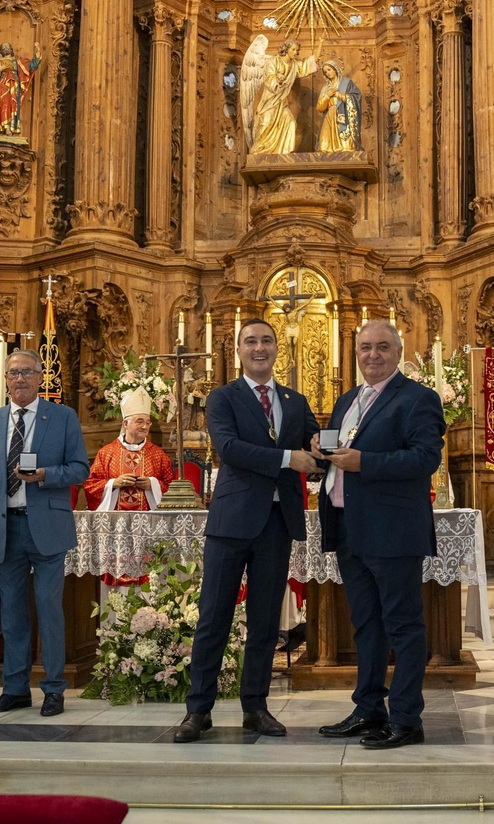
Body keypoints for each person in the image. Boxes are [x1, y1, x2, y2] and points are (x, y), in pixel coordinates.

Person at [174, 319, 321, 743]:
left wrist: (323, 451)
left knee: (263, 624)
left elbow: (316, 445)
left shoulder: (294, 401)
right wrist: (287, 460)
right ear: (238, 350)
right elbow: (230, 449)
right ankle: (197, 710)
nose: (260, 348)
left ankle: (255, 707)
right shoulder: (223, 397)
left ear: (278, 349)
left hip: (277, 523)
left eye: (267, 341)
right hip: (233, 521)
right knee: (214, 618)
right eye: (250, 341)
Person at [311, 320, 444, 749]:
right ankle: (369, 709)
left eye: (382, 347)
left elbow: (424, 459)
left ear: (398, 351)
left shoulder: (418, 399)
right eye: (365, 347)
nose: (373, 355)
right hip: (349, 526)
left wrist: (363, 462)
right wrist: (322, 452)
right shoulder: (348, 400)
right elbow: (338, 457)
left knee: (402, 625)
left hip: (392, 530)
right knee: (366, 624)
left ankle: (406, 719)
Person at [0, 349, 89, 717]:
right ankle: (15, 688)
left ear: (40, 378)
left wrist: (45, 476)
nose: (19, 379)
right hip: (5, 527)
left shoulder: (63, 417)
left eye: (26, 372)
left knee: (49, 609)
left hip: (47, 526)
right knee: (11, 613)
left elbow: (80, 469)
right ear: (5, 380)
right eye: (12, 373)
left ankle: (53, 689)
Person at [82, 388, 176, 512]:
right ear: (125, 424)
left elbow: (172, 489)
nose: (145, 427)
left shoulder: (158, 455)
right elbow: (90, 484)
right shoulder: (106, 453)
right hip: (114, 523)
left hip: (148, 524)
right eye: (140, 421)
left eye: (148, 423)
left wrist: (152, 484)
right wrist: (114, 484)